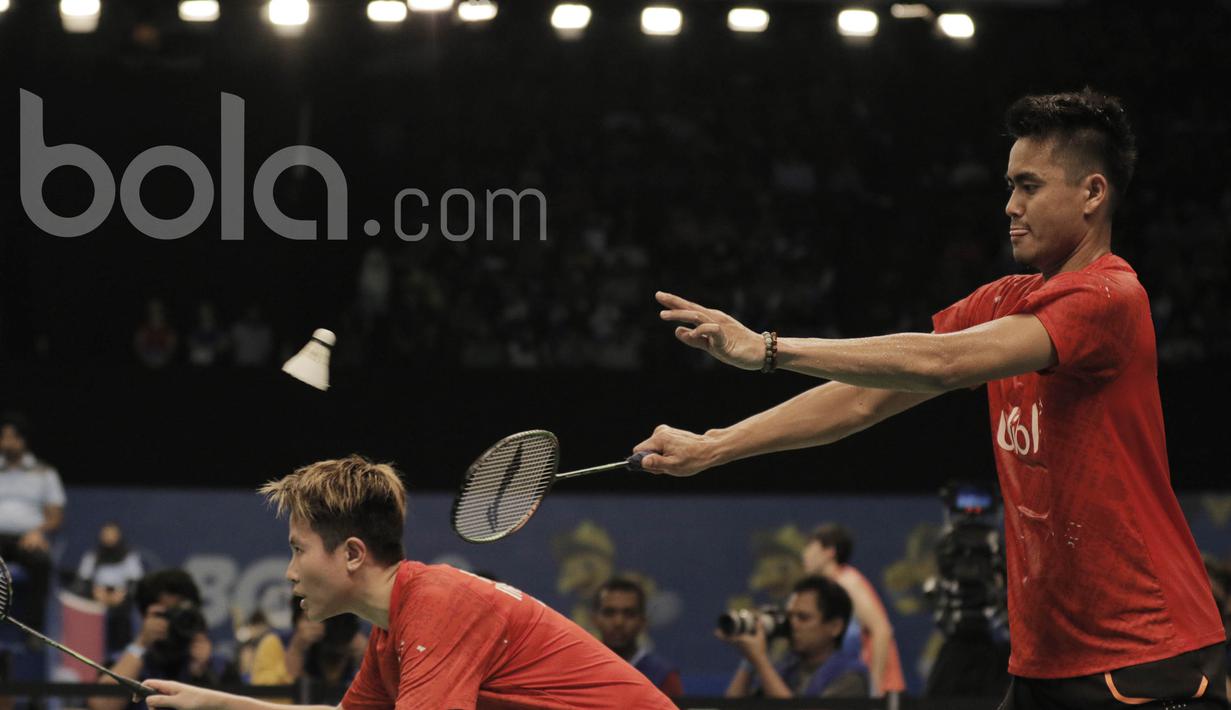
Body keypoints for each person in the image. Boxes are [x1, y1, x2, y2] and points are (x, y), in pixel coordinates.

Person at [635, 89, 1229, 709]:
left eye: (1029, 186)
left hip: (1139, 653)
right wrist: (714, 447)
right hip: (1044, 658)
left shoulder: (1109, 298)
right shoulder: (1005, 299)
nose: (1010, 206)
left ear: (1092, 193)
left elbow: (945, 363)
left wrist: (769, 349)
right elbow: (864, 401)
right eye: (1009, 186)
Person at [143, 455, 675, 710]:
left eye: (297, 550)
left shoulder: (438, 605)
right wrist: (213, 704)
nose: (289, 573)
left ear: (352, 554)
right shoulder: (392, 632)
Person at [89, 569, 237, 710]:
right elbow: (101, 706)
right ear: (145, 616)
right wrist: (141, 644)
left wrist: (204, 673)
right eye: (164, 614)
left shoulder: (219, 667)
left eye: (179, 613)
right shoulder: (121, 663)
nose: (172, 622)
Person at [802, 523, 905, 697]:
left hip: (879, 689)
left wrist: (875, 687)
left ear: (829, 552)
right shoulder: (831, 586)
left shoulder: (848, 582)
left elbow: (882, 630)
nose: (804, 554)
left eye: (810, 547)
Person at [722, 575, 867, 699]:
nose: (792, 625)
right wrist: (749, 661)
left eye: (803, 618)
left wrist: (761, 661)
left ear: (835, 627)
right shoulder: (787, 670)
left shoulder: (850, 677)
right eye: (789, 616)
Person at [0, 411, 65, 635]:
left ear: (22, 441)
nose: (5, 443)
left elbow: (55, 517)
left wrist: (38, 532)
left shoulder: (45, 473)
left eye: (10, 438)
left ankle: (32, 631)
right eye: (2, 437)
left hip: (26, 539)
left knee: (41, 562)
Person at [592, 577, 683, 697]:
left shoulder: (664, 677)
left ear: (643, 621)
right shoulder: (578, 672)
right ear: (594, 620)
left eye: (629, 614)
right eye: (609, 613)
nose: (619, 622)